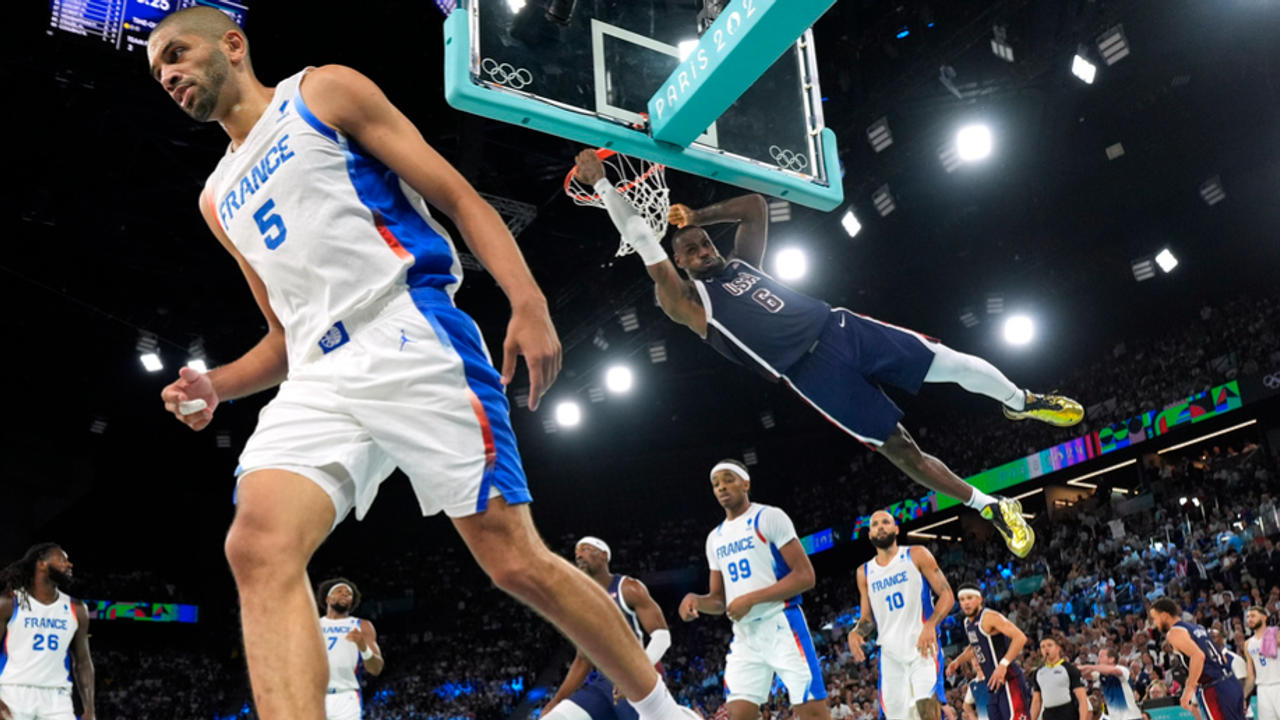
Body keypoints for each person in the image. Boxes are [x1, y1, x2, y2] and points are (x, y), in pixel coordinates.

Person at [146, 9, 689, 720]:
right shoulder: (215, 199)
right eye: (158, 71)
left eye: (177, 54)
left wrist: (527, 301)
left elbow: (457, 196)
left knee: (513, 560)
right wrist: (217, 382)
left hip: (406, 328)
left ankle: (660, 711)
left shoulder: (322, 93)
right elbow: (283, 334)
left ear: (233, 45)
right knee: (256, 546)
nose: (169, 75)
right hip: (318, 376)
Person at [572, 151, 1085, 558]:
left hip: (840, 327)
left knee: (947, 361)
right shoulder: (687, 302)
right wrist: (601, 183)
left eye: (707, 245)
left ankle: (1021, 399)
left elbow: (753, 204)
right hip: (811, 375)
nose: (705, 252)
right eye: (692, 252)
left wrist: (698, 214)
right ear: (679, 264)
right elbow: (642, 238)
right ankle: (992, 507)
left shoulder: (743, 265)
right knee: (900, 449)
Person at [679, 460, 830, 720]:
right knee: (738, 714)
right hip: (745, 633)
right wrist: (696, 601)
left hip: (782, 623)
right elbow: (718, 601)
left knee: (813, 712)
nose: (722, 487)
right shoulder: (715, 538)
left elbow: (805, 576)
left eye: (728, 479)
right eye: (716, 484)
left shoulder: (769, 517)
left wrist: (750, 599)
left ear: (745, 483)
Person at [544, 537, 672, 720]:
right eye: (576, 553)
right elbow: (583, 659)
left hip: (637, 682)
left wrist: (637, 674)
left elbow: (662, 636)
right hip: (602, 684)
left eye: (586, 549)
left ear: (604, 556)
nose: (579, 555)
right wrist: (556, 701)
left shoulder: (628, 588)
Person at [847, 511, 954, 720]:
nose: (880, 527)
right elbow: (867, 619)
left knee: (927, 708)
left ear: (896, 529)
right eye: (875, 524)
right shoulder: (865, 572)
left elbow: (947, 594)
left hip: (922, 648)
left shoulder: (916, 554)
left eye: (886, 522)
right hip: (890, 656)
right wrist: (856, 632)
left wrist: (931, 624)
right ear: (869, 535)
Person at [0, 544, 95, 720]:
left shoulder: (77, 609)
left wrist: (90, 708)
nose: (69, 565)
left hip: (57, 697)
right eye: (62, 559)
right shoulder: (9, 602)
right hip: (13, 692)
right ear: (41, 564)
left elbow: (83, 661)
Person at [1148, 597, 1245, 720]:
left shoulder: (1174, 632)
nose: (1154, 624)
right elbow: (1222, 658)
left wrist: (1189, 690)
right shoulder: (1197, 627)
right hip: (1230, 681)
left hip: (1214, 688)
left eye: (1154, 618)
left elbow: (1198, 656)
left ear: (1164, 615)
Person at [946, 584, 1031, 720]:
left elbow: (1020, 637)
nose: (966, 603)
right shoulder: (967, 622)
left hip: (1008, 679)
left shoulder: (989, 617)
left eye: (969, 598)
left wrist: (1003, 664)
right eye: (962, 599)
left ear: (979, 599)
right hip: (991, 684)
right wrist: (957, 662)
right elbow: (974, 645)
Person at [316, 578, 383, 720]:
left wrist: (363, 647)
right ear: (328, 598)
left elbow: (376, 668)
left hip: (346, 698)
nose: (345, 594)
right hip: (315, 696)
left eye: (348, 593)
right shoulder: (313, 625)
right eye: (339, 591)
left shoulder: (362, 626)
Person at [1030, 637, 1089, 720]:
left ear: (1058, 648)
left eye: (1049, 645)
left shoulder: (1070, 669)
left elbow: (1082, 700)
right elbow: (1036, 701)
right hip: (1048, 715)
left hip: (1068, 714)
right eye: (1042, 647)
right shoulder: (1038, 673)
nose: (1046, 648)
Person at [1078, 648, 1142, 720]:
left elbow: (1115, 671)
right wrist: (1075, 670)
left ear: (1111, 659)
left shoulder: (1122, 669)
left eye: (1101, 656)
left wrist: (1091, 667)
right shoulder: (1101, 674)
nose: (1098, 659)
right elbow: (1084, 675)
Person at [1243, 607, 1280, 720]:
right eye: (1248, 617)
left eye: (1253, 616)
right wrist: (1243, 697)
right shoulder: (1248, 644)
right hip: (1262, 689)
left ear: (1264, 617)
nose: (1249, 619)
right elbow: (1250, 676)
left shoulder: (1276, 634)